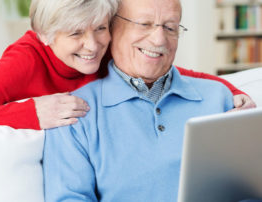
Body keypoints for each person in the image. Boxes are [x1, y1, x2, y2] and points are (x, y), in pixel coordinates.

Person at [42, 0, 252, 201]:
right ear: (110, 28)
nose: (159, 40)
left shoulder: (220, 98)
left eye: (170, 28)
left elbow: (248, 191)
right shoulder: (73, 112)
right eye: (144, 24)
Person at [0, 0, 255, 130]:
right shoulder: (25, 60)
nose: (93, 46)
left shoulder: (108, 50)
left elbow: (179, 73)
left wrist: (230, 89)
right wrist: (31, 111)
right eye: (76, 33)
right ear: (46, 36)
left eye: (100, 28)